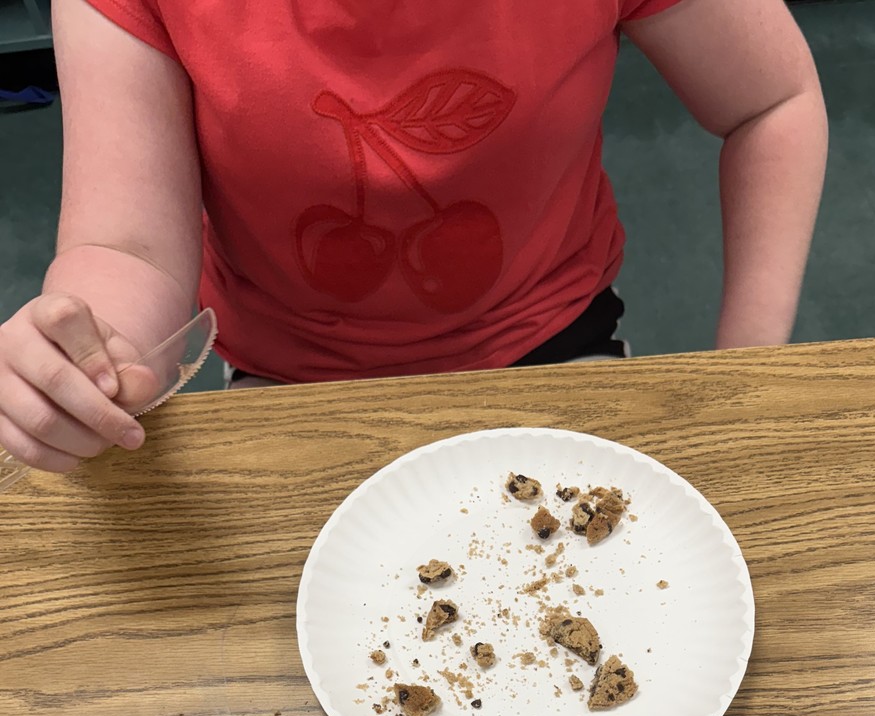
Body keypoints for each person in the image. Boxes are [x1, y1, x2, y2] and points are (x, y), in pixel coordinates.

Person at [0, 0, 827, 472]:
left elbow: (769, 103)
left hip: (547, 340)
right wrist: (90, 355)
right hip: (294, 378)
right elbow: (127, 247)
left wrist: (747, 368)